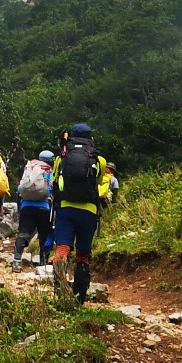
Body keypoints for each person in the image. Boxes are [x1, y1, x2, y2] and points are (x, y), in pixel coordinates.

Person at [49, 122, 118, 303]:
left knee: (62, 249)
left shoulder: (61, 158)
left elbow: (55, 181)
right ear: (91, 139)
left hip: (65, 209)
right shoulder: (99, 160)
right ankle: (80, 296)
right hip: (88, 211)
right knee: (83, 254)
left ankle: (60, 289)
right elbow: (99, 180)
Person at [12, 149, 55, 268]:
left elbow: (20, 189)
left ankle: (16, 260)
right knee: (44, 236)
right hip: (44, 208)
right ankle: (43, 264)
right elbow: (52, 189)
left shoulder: (30, 169)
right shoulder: (49, 171)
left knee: (23, 234)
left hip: (26, 207)